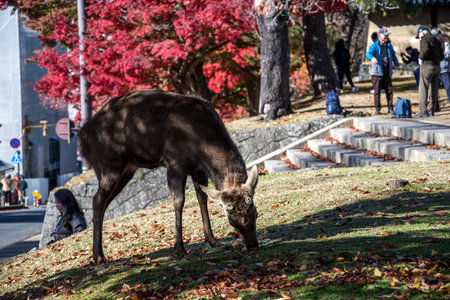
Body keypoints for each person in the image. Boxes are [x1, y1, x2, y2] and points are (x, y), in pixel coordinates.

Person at [366, 28, 399, 115]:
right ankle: (377, 109)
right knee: (377, 91)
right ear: (379, 36)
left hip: (387, 70)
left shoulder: (389, 45)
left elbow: (393, 55)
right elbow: (368, 53)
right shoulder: (374, 46)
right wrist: (372, 58)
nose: (386, 37)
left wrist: (396, 63)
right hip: (377, 72)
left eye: (387, 35)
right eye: (385, 35)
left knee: (389, 90)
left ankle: (390, 108)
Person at [415, 26, 444, 118]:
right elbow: (442, 54)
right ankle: (431, 110)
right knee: (434, 89)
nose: (419, 36)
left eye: (419, 34)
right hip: (437, 66)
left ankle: (423, 111)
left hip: (427, 66)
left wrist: (420, 58)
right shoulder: (436, 40)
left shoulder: (425, 39)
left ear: (422, 32)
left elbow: (425, 50)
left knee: (423, 88)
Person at [432, 29, 450, 106]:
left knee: (448, 86)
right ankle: (435, 106)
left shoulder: (445, 44)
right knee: (434, 89)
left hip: (444, 70)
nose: (436, 38)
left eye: (437, 36)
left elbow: (448, 54)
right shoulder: (431, 45)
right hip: (434, 69)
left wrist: (439, 54)